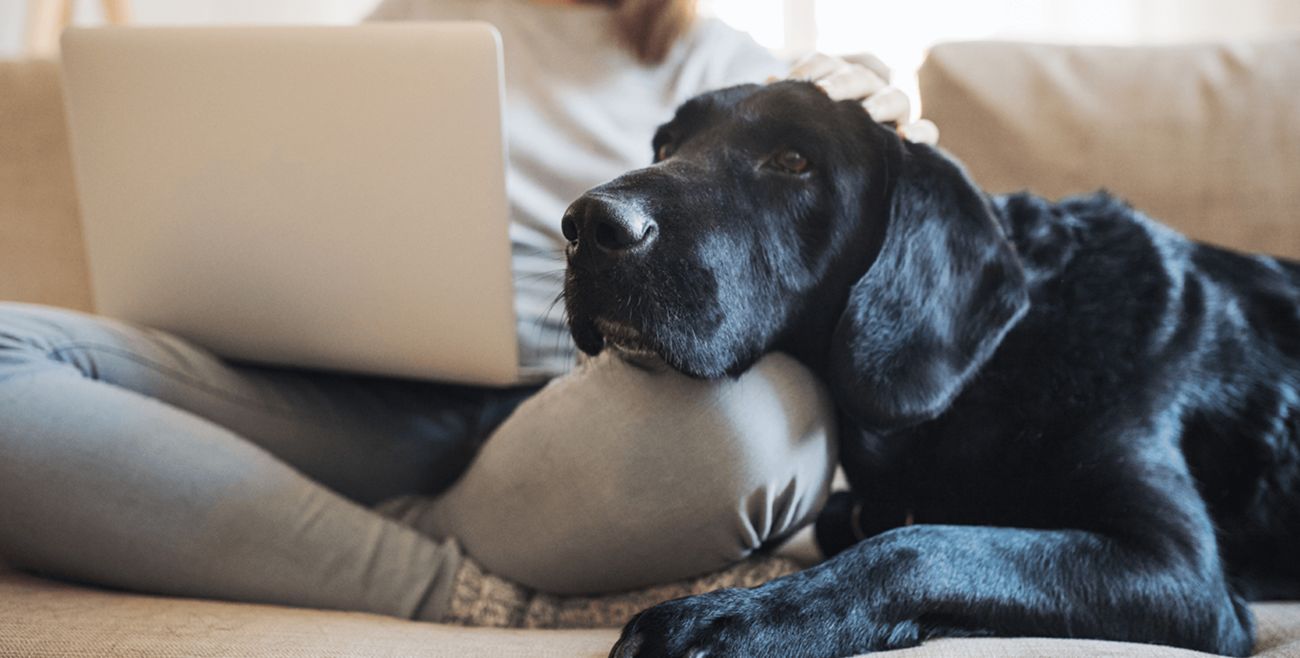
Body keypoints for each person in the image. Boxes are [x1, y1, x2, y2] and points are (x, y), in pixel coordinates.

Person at [0, 0, 935, 623]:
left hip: (571, 423)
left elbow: (838, 270)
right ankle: (450, 585)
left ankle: (269, 523)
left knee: (754, 434)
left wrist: (872, 123)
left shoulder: (737, 70)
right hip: (329, 394)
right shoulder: (406, 24)